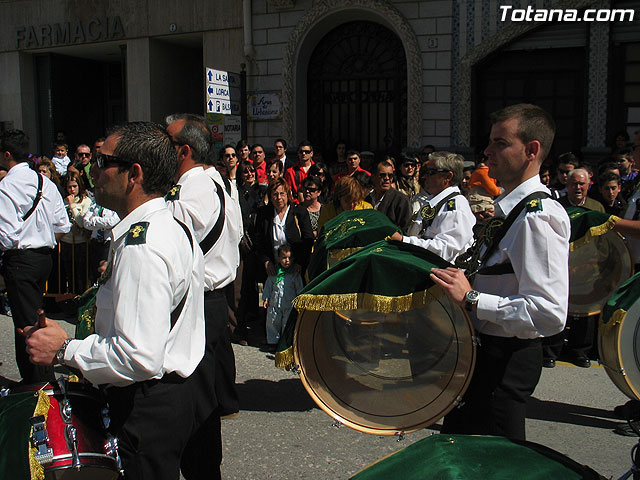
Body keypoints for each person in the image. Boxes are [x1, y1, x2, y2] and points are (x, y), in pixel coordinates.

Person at [23, 121, 205, 480]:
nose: (93, 169)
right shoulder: (164, 225)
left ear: (133, 174)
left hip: (144, 405)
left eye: (104, 161)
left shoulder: (144, 246)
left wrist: (64, 350)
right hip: (165, 400)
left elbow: (139, 356)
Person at [431, 104, 570, 441]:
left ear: (531, 150)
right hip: (484, 354)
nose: (487, 152)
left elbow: (549, 313)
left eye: (500, 143)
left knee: (494, 463)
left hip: (504, 362)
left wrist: (472, 298)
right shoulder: (512, 210)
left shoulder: (537, 217)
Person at [164, 113, 240, 480]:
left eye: (167, 143)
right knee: (200, 401)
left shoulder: (192, 189)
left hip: (199, 302)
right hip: (211, 299)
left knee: (195, 404)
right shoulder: (213, 183)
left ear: (184, 151)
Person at [0, 129, 70, 384]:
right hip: (44, 259)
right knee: (36, 316)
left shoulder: (7, 185)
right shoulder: (45, 182)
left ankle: (37, 382)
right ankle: (40, 378)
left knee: (25, 324)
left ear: (7, 154)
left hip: (21, 260)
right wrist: (44, 243)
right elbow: (63, 225)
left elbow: (5, 235)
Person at [393, 151, 474, 263]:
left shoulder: (454, 206)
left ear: (448, 176)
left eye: (431, 172)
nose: (425, 176)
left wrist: (403, 241)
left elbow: (446, 250)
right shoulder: (434, 201)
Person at [254, 177, 314, 279]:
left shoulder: (300, 212)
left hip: (296, 269)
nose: (279, 198)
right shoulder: (263, 214)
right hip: (273, 269)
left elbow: (308, 239)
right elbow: (258, 240)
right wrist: (266, 261)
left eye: (282, 194)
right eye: (275, 194)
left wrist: (299, 263)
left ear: (288, 194)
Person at [262, 244, 303, 351]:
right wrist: (266, 298)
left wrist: (300, 299)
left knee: (287, 323)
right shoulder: (274, 273)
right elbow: (268, 286)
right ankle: (272, 342)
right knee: (272, 321)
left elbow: (299, 288)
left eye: (289, 258)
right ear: (279, 258)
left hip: (289, 303)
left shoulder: (295, 274)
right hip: (274, 303)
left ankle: (285, 343)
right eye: (284, 258)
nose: (287, 261)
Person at [61, 171, 92, 294]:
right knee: (69, 274)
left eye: (75, 186)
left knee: (82, 275)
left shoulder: (86, 201)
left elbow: (81, 221)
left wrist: (73, 205)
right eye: (69, 186)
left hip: (81, 242)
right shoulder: (63, 201)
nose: (72, 189)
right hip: (66, 241)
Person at [367, 159, 412, 232]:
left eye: (390, 175)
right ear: (373, 177)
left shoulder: (401, 200)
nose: (387, 178)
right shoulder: (367, 198)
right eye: (382, 175)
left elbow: (407, 229)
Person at [284, 140, 315, 204]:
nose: (303, 154)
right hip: (296, 204)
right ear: (298, 153)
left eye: (307, 152)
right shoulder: (290, 171)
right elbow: (287, 191)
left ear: (311, 153)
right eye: (301, 152)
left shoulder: (317, 170)